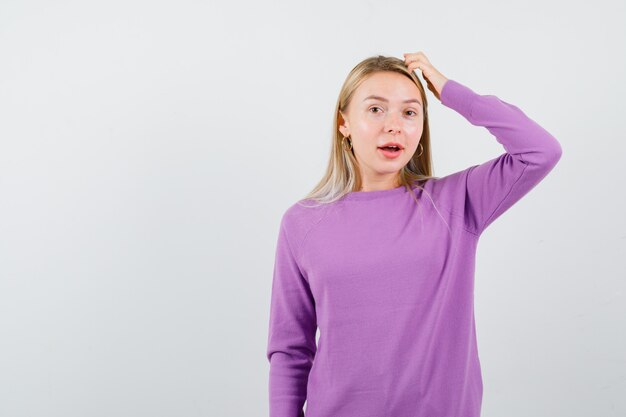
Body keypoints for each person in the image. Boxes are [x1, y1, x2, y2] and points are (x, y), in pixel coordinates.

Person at [265, 52, 562, 417]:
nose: (395, 126)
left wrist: (450, 92)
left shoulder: (456, 202)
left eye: (409, 112)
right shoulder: (302, 223)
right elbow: (290, 350)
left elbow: (540, 151)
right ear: (344, 123)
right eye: (376, 110)